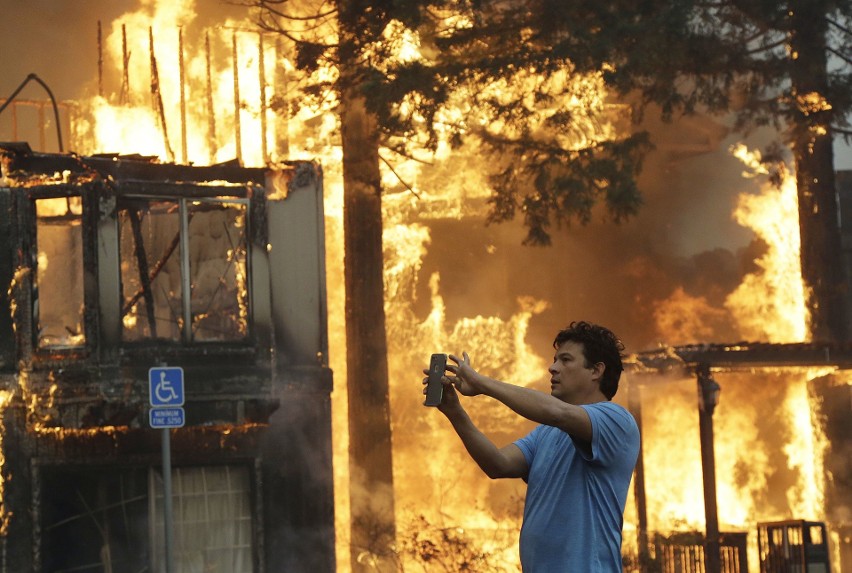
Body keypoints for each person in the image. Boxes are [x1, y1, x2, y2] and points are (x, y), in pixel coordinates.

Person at [425, 320, 640, 572]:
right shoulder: (547, 432)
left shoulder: (616, 420)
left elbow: (556, 412)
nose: (553, 368)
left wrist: (481, 383)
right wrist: (455, 412)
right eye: (555, 360)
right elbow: (498, 464)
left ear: (596, 371)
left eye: (566, 360)